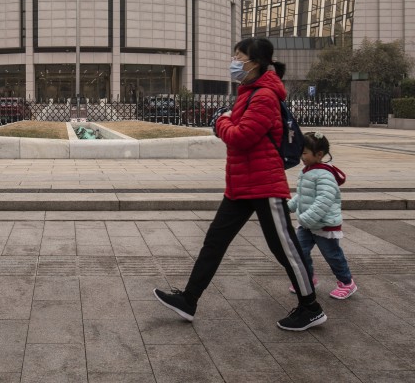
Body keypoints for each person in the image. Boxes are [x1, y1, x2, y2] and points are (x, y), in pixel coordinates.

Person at [153, 37, 327, 332]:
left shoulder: (265, 95)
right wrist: (227, 121)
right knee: (214, 241)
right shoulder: (249, 91)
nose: (234, 62)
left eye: (239, 57)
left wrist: (220, 120)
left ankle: (310, 308)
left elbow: (240, 136)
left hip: (264, 184)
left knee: (283, 248)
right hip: (241, 184)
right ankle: (189, 299)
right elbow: (238, 130)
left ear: (255, 62)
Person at [288, 132, 358, 299]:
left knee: (332, 255)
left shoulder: (324, 174)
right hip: (308, 224)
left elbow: (324, 200)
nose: (301, 156)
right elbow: (302, 195)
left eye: (304, 153)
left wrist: (306, 218)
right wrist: (289, 206)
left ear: (319, 154)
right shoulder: (308, 171)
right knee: (300, 251)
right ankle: (308, 279)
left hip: (324, 225)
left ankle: (347, 282)